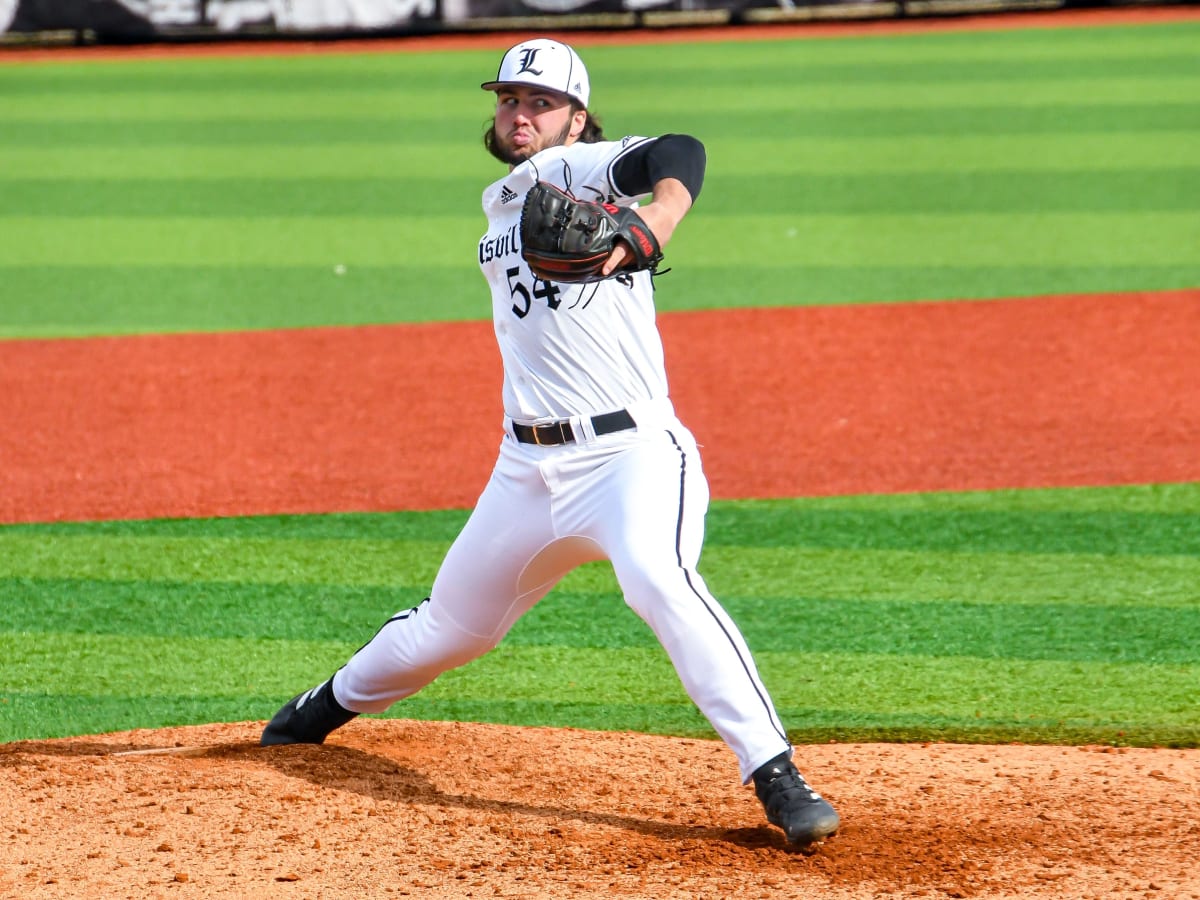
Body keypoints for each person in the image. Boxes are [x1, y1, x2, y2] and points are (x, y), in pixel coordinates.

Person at [261, 36, 840, 849]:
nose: (519, 114)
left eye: (540, 103)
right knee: (452, 630)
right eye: (508, 100)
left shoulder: (582, 168)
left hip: (631, 457)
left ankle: (775, 773)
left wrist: (656, 217)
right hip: (524, 471)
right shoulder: (501, 202)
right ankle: (316, 711)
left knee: (658, 580)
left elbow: (680, 151)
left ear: (576, 119)